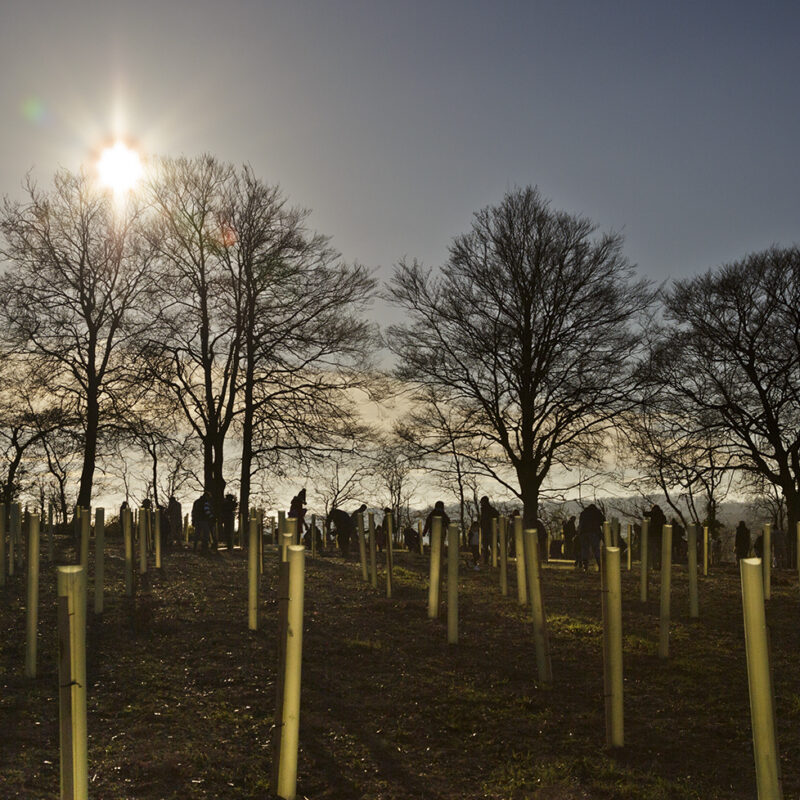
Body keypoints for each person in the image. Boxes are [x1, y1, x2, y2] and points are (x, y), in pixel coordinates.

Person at [577, 503, 604, 571]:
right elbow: (603, 522)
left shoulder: (583, 513)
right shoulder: (597, 512)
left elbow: (580, 523)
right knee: (596, 549)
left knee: (584, 549)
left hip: (583, 532)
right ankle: (600, 565)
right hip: (594, 532)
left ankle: (585, 566)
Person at [479, 496, 499, 564]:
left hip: (489, 530)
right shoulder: (489, 509)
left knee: (489, 545)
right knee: (488, 546)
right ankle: (491, 560)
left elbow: (497, 517)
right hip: (487, 530)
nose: (481, 503)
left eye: (481, 502)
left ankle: (491, 560)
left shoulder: (488, 510)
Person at [648, 504, 666, 569]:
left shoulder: (653, 514)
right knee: (660, 551)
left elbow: (645, 514)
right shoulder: (662, 516)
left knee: (653, 551)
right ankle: (661, 565)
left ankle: (654, 565)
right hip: (661, 535)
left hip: (653, 535)